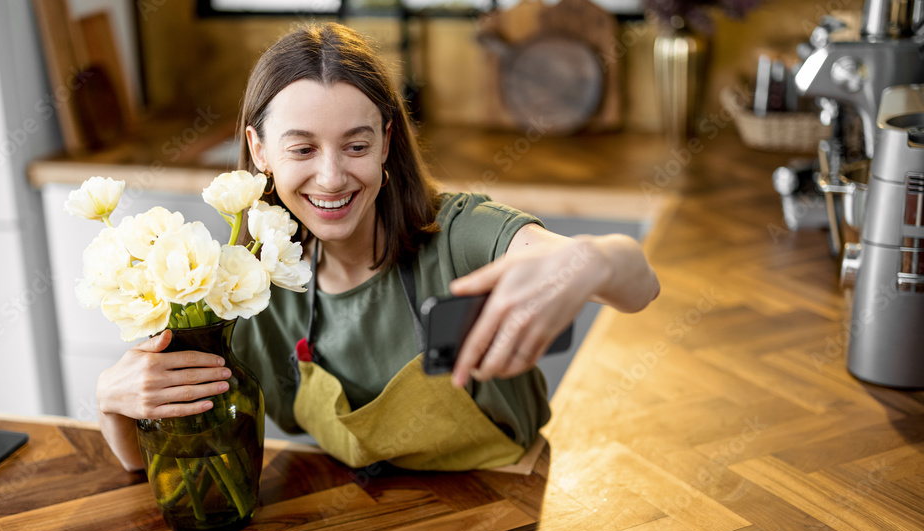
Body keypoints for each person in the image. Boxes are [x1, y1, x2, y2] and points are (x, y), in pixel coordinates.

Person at [96, 23, 660, 472]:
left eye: (356, 144)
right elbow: (160, 466)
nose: (332, 176)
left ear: (387, 141)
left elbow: (640, 285)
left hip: (502, 513)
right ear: (259, 150)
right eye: (302, 149)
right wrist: (114, 402)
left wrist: (588, 262)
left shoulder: (459, 236)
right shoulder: (245, 292)